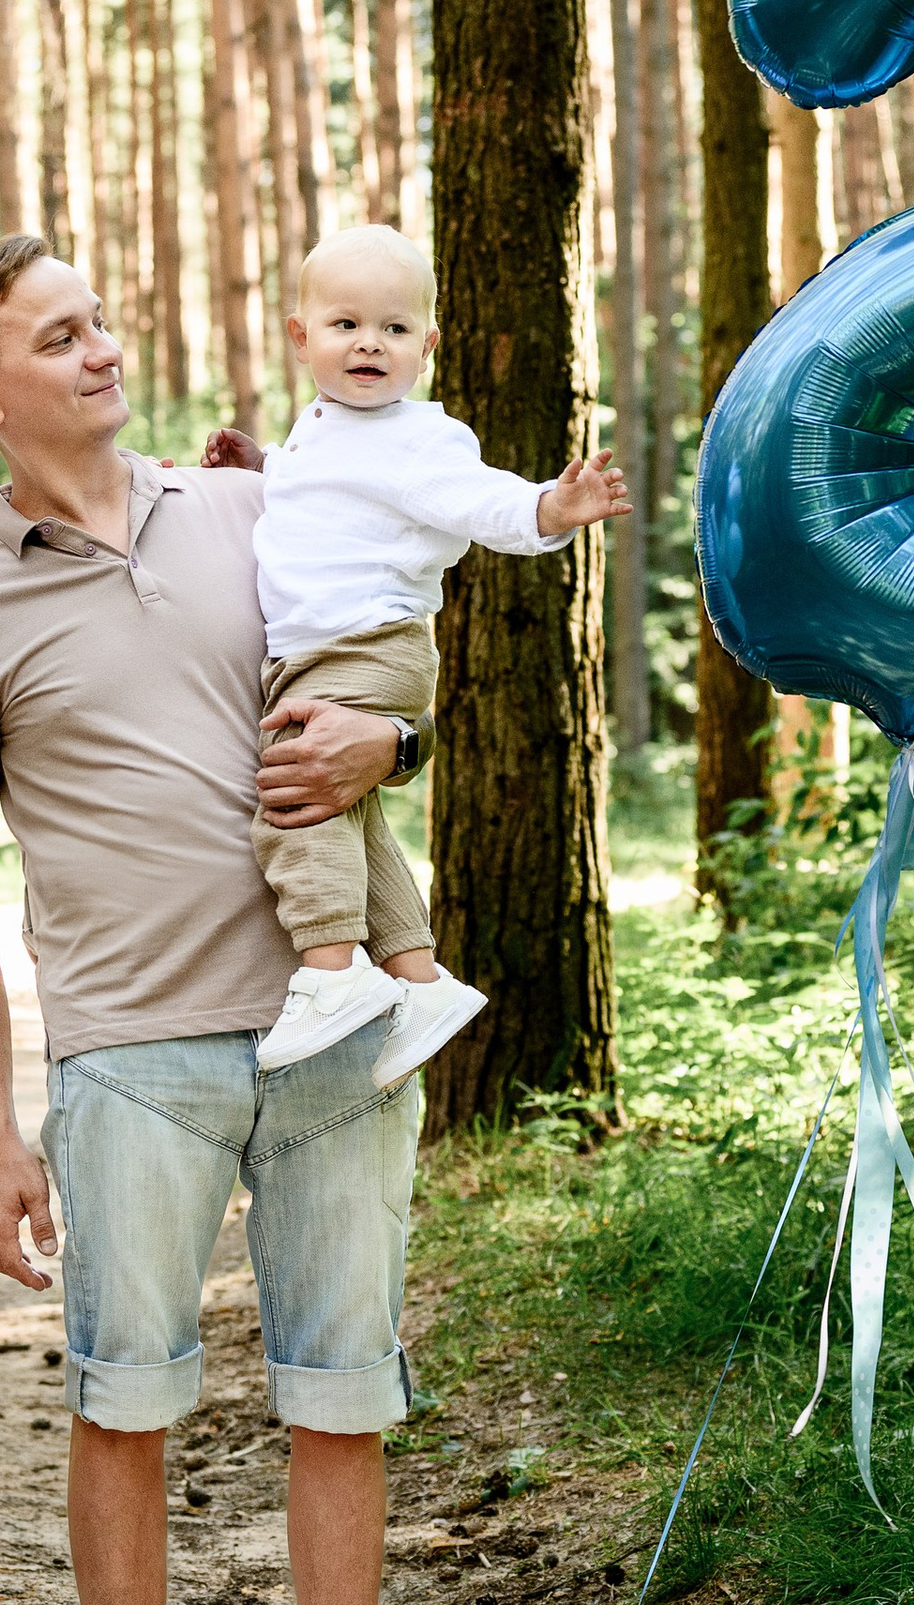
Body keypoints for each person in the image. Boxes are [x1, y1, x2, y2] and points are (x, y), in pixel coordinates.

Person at [0, 234, 441, 1605]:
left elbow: (386, 654)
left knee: (342, 1394)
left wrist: (395, 737)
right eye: (58, 336)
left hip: (331, 1024)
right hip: (130, 1050)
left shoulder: (253, 504)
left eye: (102, 316)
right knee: (124, 1399)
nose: (101, 347)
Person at [244, 220, 630, 1086]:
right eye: (345, 325)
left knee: (296, 802)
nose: (369, 344)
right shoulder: (322, 427)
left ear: (428, 344)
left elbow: (477, 500)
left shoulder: (421, 436)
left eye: (394, 327)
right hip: (328, 648)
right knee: (349, 814)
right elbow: (329, 502)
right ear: (302, 336)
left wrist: (546, 509)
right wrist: (260, 465)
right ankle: (419, 982)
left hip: (364, 644)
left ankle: (333, 974)